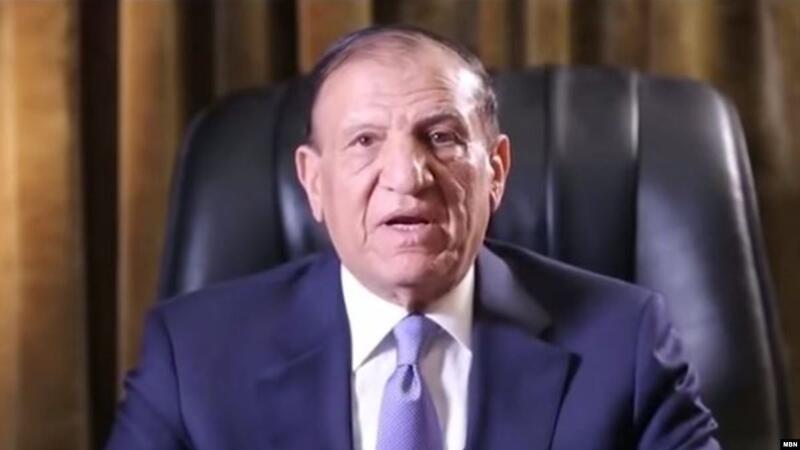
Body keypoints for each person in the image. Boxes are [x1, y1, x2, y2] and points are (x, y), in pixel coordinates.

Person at [106, 25, 720, 450]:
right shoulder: (194, 357)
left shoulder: (624, 342)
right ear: (314, 183)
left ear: (496, 172)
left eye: (442, 137)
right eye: (365, 141)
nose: (406, 176)